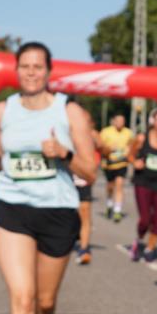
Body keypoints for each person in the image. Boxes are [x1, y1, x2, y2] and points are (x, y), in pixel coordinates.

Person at [0, 42, 97, 314]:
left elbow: (90, 172)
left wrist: (62, 152)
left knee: (45, 303)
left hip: (58, 212)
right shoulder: (3, 111)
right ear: (16, 71)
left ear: (49, 72)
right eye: (24, 66)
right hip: (13, 208)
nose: (31, 73)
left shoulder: (70, 111)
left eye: (37, 67)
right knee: (23, 298)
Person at [128, 107, 157, 262]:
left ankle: (149, 249)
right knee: (145, 218)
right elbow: (130, 154)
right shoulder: (141, 138)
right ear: (152, 122)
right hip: (143, 181)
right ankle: (139, 240)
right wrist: (135, 162)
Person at [72, 106, 97, 265]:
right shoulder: (66, 133)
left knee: (85, 212)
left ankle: (84, 248)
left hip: (83, 179)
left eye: (86, 120)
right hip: (65, 180)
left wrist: (96, 140)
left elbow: (104, 148)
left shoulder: (92, 135)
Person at [98, 112, 133, 222]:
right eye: (118, 121)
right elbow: (99, 146)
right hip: (108, 164)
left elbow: (132, 146)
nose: (120, 123)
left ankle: (117, 210)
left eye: (122, 121)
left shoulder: (128, 133)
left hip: (122, 163)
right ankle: (109, 203)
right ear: (113, 121)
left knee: (119, 185)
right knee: (110, 186)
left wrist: (128, 152)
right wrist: (108, 149)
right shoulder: (106, 132)